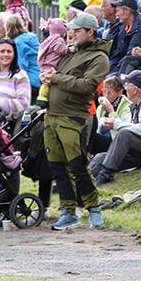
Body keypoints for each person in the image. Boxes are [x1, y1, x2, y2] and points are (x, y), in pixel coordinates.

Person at [42, 12, 110, 230]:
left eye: (77, 31)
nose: (71, 34)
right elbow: (57, 76)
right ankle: (68, 210)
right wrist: (48, 77)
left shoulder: (99, 58)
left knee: (78, 166)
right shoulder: (70, 53)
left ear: (90, 32)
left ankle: (94, 209)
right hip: (52, 117)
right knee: (57, 167)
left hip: (74, 118)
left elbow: (86, 86)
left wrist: (56, 78)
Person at [107, 0, 141, 75]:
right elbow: (117, 53)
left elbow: (131, 55)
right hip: (121, 65)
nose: (116, 15)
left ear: (127, 11)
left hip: (134, 66)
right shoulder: (122, 26)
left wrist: (112, 74)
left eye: (118, 11)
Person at [90, 75, 132, 155]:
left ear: (119, 92)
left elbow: (124, 130)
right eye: (104, 92)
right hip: (103, 138)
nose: (106, 96)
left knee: (91, 138)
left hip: (116, 141)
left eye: (109, 93)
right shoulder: (101, 107)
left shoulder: (127, 106)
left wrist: (111, 111)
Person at [34, 17, 69, 106]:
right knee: (47, 82)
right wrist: (68, 50)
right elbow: (58, 48)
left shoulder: (49, 38)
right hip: (51, 65)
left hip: (45, 64)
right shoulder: (58, 39)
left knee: (46, 81)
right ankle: (42, 97)